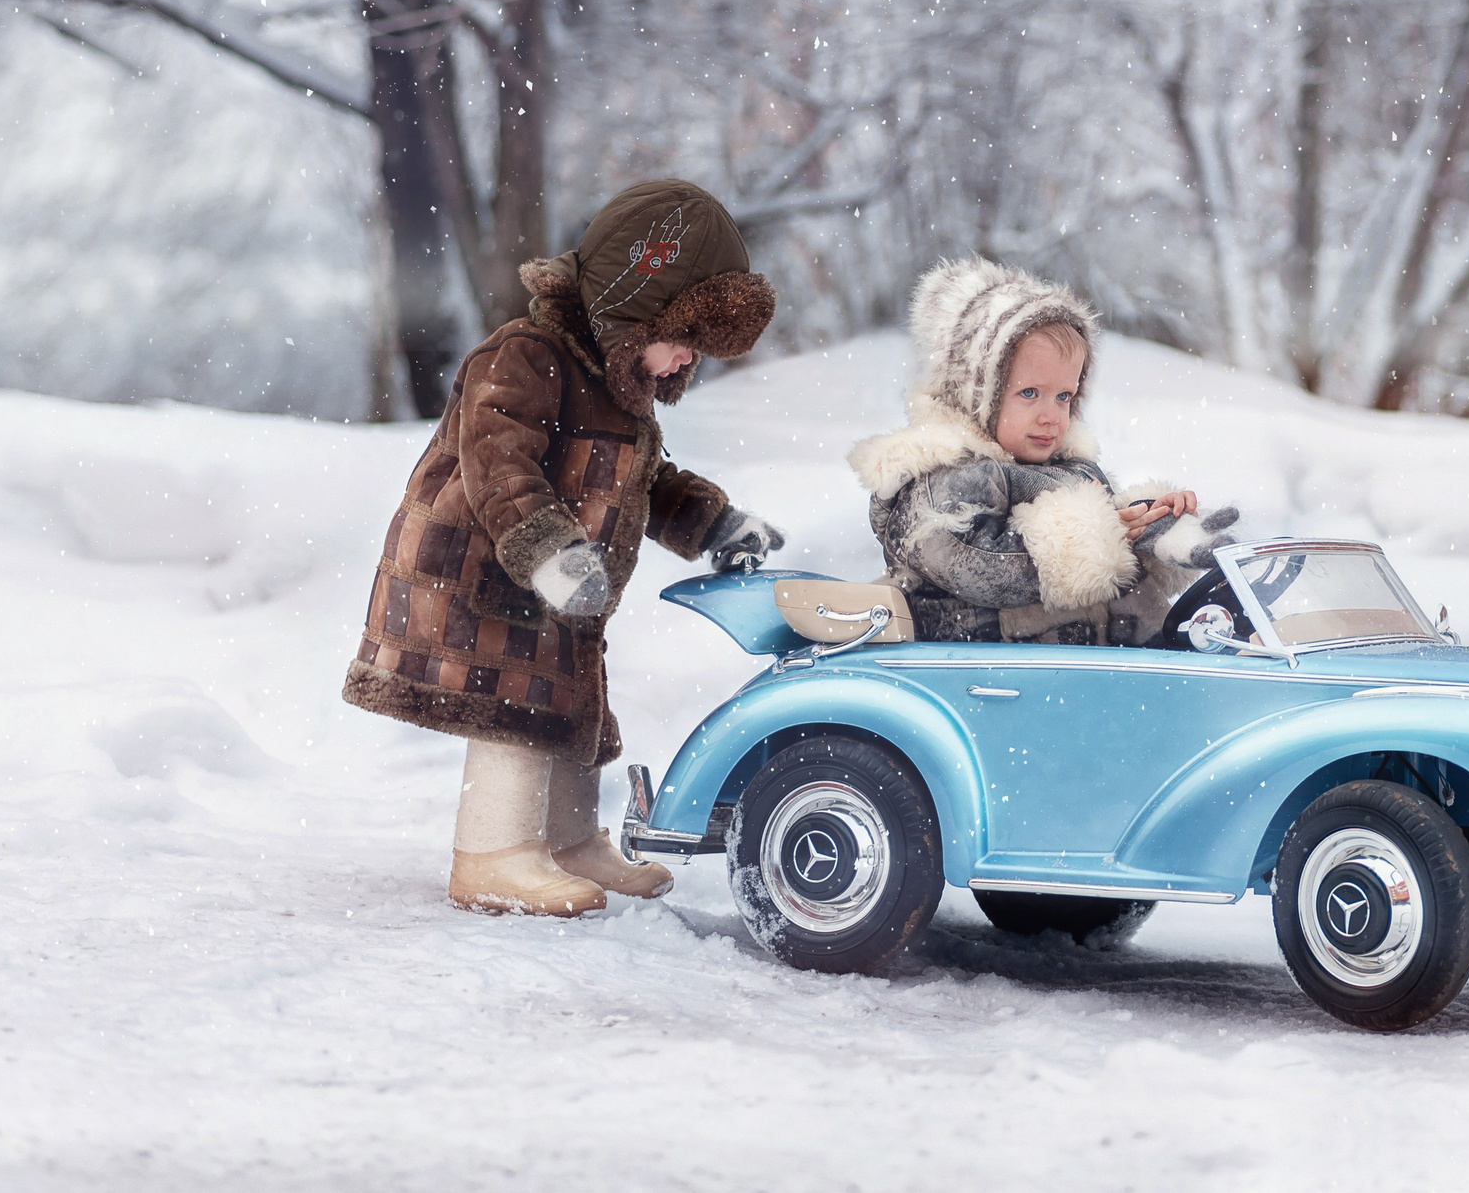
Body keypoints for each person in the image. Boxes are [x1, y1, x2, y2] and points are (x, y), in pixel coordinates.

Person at [342, 179, 786, 916]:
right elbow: (499, 460)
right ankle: (493, 852)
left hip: (564, 585)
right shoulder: (525, 356)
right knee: (512, 705)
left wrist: (712, 524)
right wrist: (549, 552)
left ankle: (567, 839)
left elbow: (649, 482)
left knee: (567, 702)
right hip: (484, 570)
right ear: (632, 305)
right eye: (682, 341)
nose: (685, 363)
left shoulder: (613, 384)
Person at [848, 257, 1237, 644]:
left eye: (1064, 396)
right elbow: (973, 565)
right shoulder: (943, 482)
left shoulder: (1072, 471)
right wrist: (1101, 538)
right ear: (976, 395)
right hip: (989, 679)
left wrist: (1150, 524)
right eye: (1030, 393)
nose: (1052, 416)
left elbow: (1104, 537)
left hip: (1099, 676)